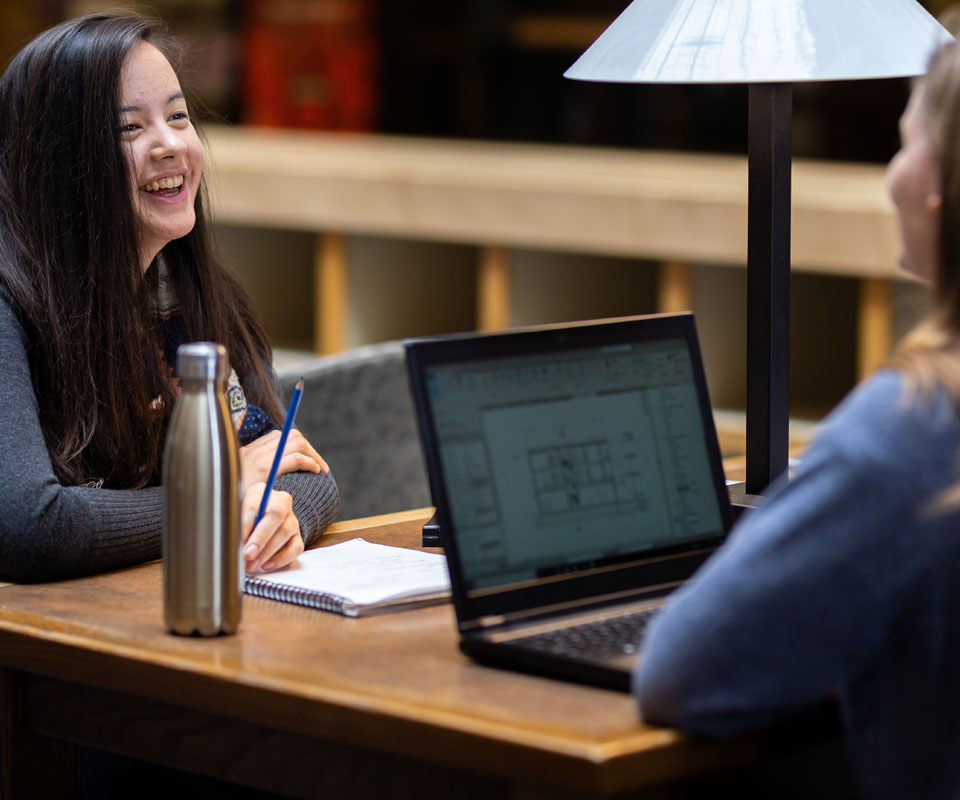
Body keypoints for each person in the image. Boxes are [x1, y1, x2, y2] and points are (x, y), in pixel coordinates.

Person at [634, 26, 960, 800]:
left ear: (936, 191)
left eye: (903, 141)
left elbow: (678, 672)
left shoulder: (912, 431)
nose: (891, 172)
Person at [0, 11, 339, 584]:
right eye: (128, 129)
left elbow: (297, 466)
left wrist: (275, 517)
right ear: (57, 164)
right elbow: (31, 528)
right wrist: (220, 493)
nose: (171, 145)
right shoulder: (10, 304)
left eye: (178, 116)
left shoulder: (192, 293)